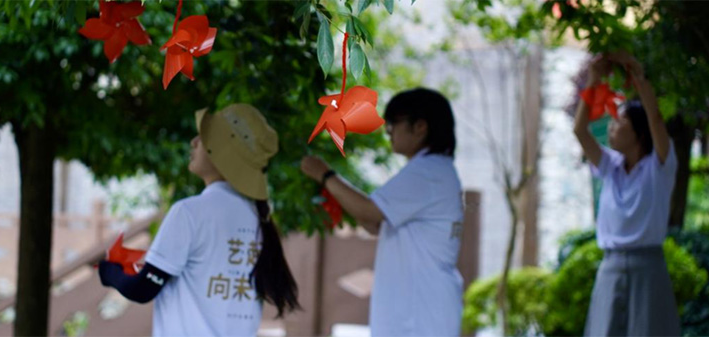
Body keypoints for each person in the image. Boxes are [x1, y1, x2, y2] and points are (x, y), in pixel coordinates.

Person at [98, 103, 299, 336]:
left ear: (223, 152)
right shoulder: (259, 218)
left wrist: (108, 272)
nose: (194, 142)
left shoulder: (189, 212)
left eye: (204, 138)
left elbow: (143, 289)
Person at [301, 88, 464, 336]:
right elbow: (374, 222)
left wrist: (325, 175)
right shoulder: (435, 170)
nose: (388, 132)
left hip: (420, 313)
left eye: (393, 125)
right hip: (423, 308)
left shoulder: (428, 171)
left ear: (420, 127)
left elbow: (370, 211)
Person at [573, 51, 680, 336]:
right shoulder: (610, 167)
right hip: (610, 266)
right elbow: (580, 131)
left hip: (649, 268)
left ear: (639, 134)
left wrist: (641, 81)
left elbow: (656, 120)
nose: (611, 126)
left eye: (620, 122)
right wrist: (593, 82)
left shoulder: (659, 167)